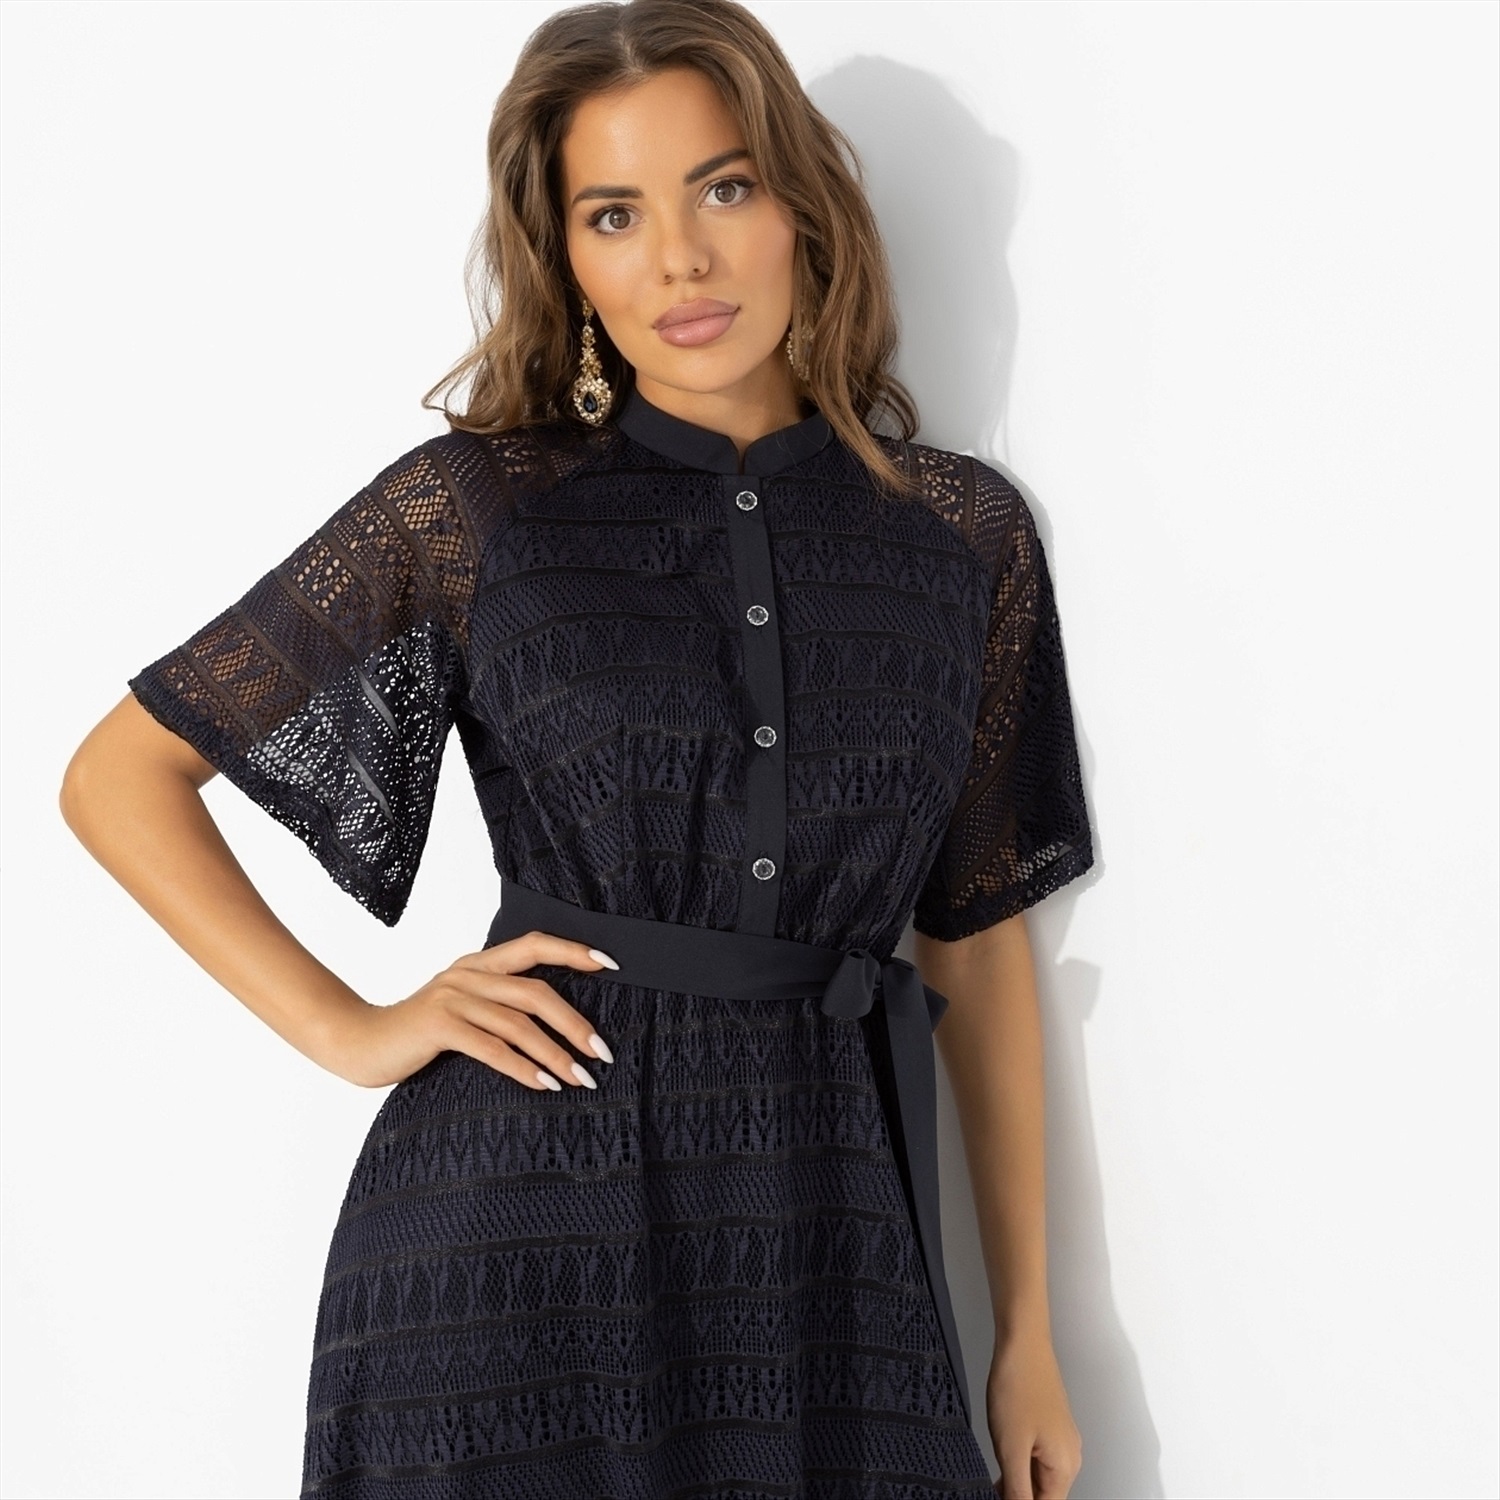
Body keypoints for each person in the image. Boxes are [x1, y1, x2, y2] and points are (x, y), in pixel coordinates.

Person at [59, 1, 1096, 1495]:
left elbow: (978, 938)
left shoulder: (960, 537)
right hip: (515, 1250)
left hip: (830, 1242)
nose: (679, 259)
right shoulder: (482, 510)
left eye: (723, 187)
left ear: (804, 207)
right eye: (615, 214)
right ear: (566, 259)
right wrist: (355, 1030)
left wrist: (1029, 1332)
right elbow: (120, 777)